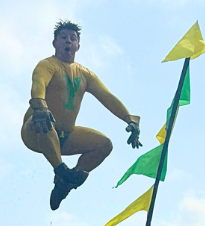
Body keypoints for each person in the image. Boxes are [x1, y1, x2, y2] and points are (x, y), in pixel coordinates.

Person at [22, 20, 142, 210]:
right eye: (63, 38)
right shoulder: (47, 65)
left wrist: (129, 119)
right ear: (54, 43)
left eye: (73, 38)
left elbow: (107, 97)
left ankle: (66, 183)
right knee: (44, 120)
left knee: (103, 144)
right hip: (37, 130)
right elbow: (38, 84)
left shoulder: (85, 74)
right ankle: (60, 170)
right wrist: (39, 106)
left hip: (65, 136)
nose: (68, 42)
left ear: (78, 45)